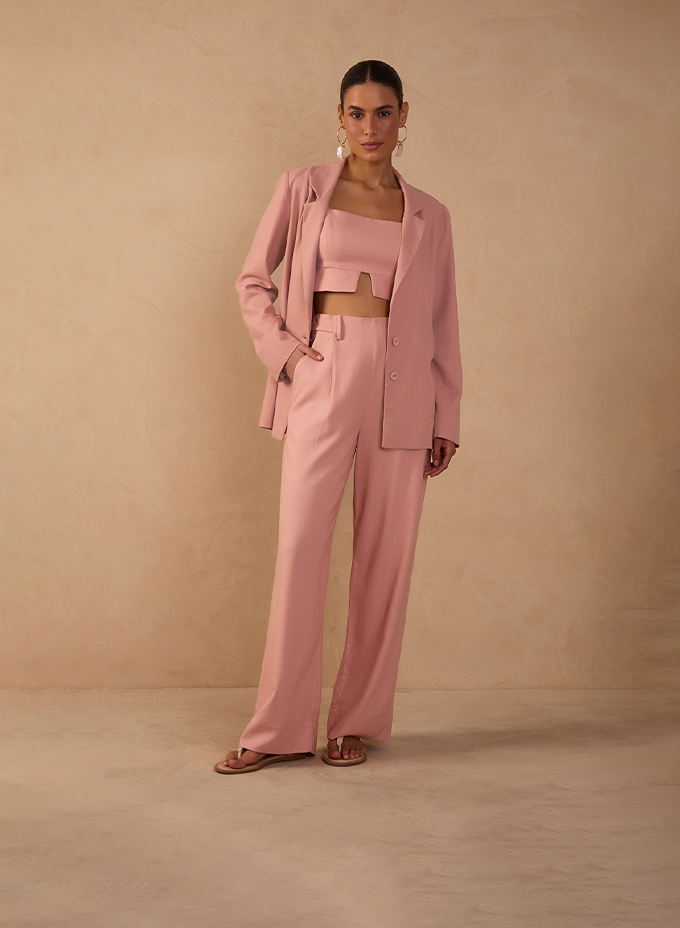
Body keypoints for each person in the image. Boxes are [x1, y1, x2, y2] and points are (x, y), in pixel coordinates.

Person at [215, 60, 462, 774]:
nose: (370, 127)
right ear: (341, 116)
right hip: (323, 372)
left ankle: (354, 721)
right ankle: (278, 727)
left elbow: (443, 319)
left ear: (404, 116)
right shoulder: (304, 188)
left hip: (403, 386)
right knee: (300, 548)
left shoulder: (431, 215)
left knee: (386, 558)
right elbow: (252, 280)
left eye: (384, 113)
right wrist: (290, 358)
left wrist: (446, 412)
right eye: (357, 113)